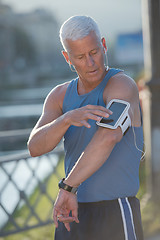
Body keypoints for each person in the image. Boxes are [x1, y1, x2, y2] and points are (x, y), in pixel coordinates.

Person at [27, 15, 144, 240]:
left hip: (115, 210)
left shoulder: (121, 85)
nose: (90, 63)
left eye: (94, 52)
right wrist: (66, 119)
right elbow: (35, 147)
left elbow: (107, 138)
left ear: (104, 45)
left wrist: (67, 187)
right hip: (71, 213)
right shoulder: (59, 96)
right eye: (80, 57)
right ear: (67, 58)